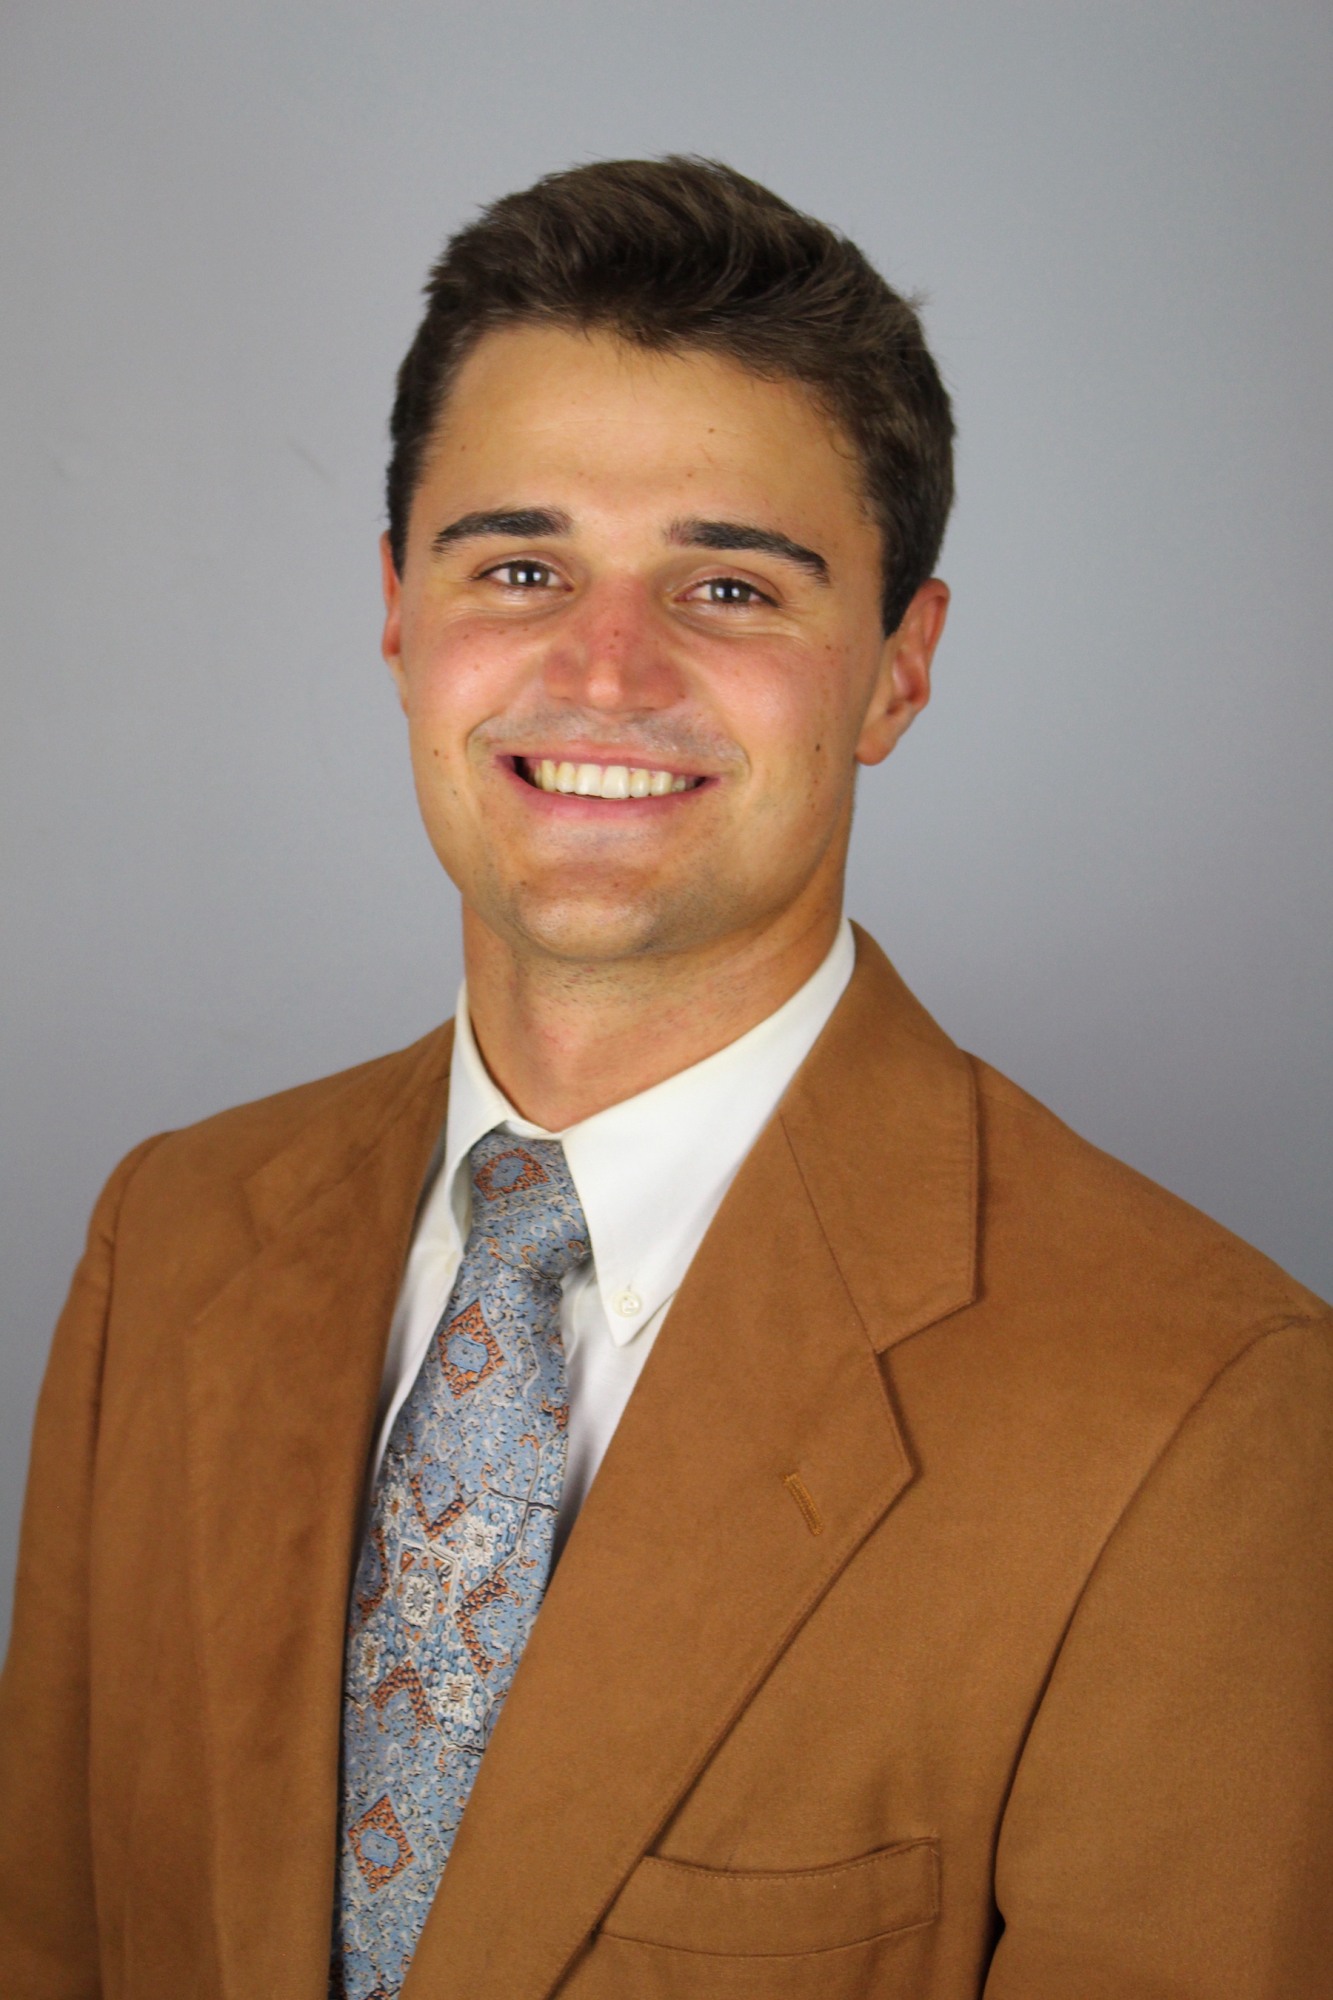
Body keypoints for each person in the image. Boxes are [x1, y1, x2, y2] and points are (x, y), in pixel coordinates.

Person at [1, 156, 1329, 2000]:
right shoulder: (172, 1236)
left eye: (728, 582)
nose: (604, 668)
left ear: (894, 673)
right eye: (520, 566)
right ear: (399, 613)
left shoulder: (1204, 1412)